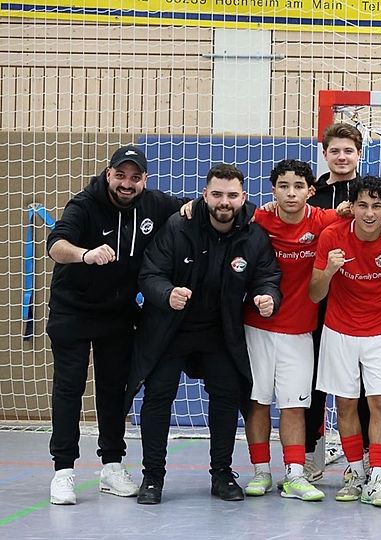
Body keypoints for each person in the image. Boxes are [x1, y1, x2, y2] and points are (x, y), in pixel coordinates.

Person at [129, 163, 282, 504]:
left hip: (219, 331)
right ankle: (152, 476)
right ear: (205, 195)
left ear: (243, 197)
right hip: (171, 329)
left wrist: (267, 296)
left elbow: (267, 276)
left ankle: (222, 474)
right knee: (158, 396)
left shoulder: (254, 235)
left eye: (231, 195)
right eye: (217, 194)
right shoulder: (177, 226)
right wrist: (167, 293)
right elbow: (150, 273)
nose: (224, 202)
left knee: (227, 396)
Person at [46, 145, 185, 505]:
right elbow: (55, 245)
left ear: (144, 180)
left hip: (118, 313)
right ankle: (63, 471)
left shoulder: (154, 204)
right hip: (73, 312)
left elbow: (191, 208)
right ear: (109, 174)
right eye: (120, 175)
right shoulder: (84, 205)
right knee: (69, 389)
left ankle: (111, 465)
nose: (127, 183)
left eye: (134, 177)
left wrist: (196, 207)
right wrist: (85, 254)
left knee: (113, 390)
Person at [310, 176, 381, 508]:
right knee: (344, 404)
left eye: (377, 206)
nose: (369, 213)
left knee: (380, 404)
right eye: (363, 205)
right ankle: (355, 473)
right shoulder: (332, 235)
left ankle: (377, 477)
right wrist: (329, 271)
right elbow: (315, 294)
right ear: (352, 207)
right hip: (339, 330)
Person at [241, 160, 342, 502]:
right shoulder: (258, 218)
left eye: (298, 186)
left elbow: (361, 214)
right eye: (283, 186)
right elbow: (218, 209)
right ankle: (261, 472)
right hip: (257, 327)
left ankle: (295, 475)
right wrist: (189, 207)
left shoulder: (323, 220)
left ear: (310, 191)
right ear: (273, 190)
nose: (290, 193)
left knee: (294, 406)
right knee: (257, 401)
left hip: (300, 330)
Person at [303, 122, 363, 481]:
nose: (342, 157)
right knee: (313, 381)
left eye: (348, 151)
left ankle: (363, 460)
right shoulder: (310, 193)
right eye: (335, 151)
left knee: (359, 386)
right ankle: (312, 454)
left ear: (359, 154)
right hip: (317, 300)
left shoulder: (371, 193)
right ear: (324, 154)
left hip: (357, 304)